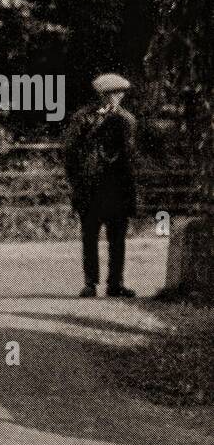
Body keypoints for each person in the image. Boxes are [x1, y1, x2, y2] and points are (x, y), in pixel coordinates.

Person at [63, 72, 138, 298]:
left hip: (117, 187)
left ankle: (115, 282)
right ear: (103, 95)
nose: (118, 98)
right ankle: (90, 282)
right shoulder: (83, 118)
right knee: (90, 236)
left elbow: (131, 156)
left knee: (117, 238)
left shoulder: (127, 119)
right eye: (114, 94)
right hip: (91, 187)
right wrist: (77, 182)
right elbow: (70, 152)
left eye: (119, 94)